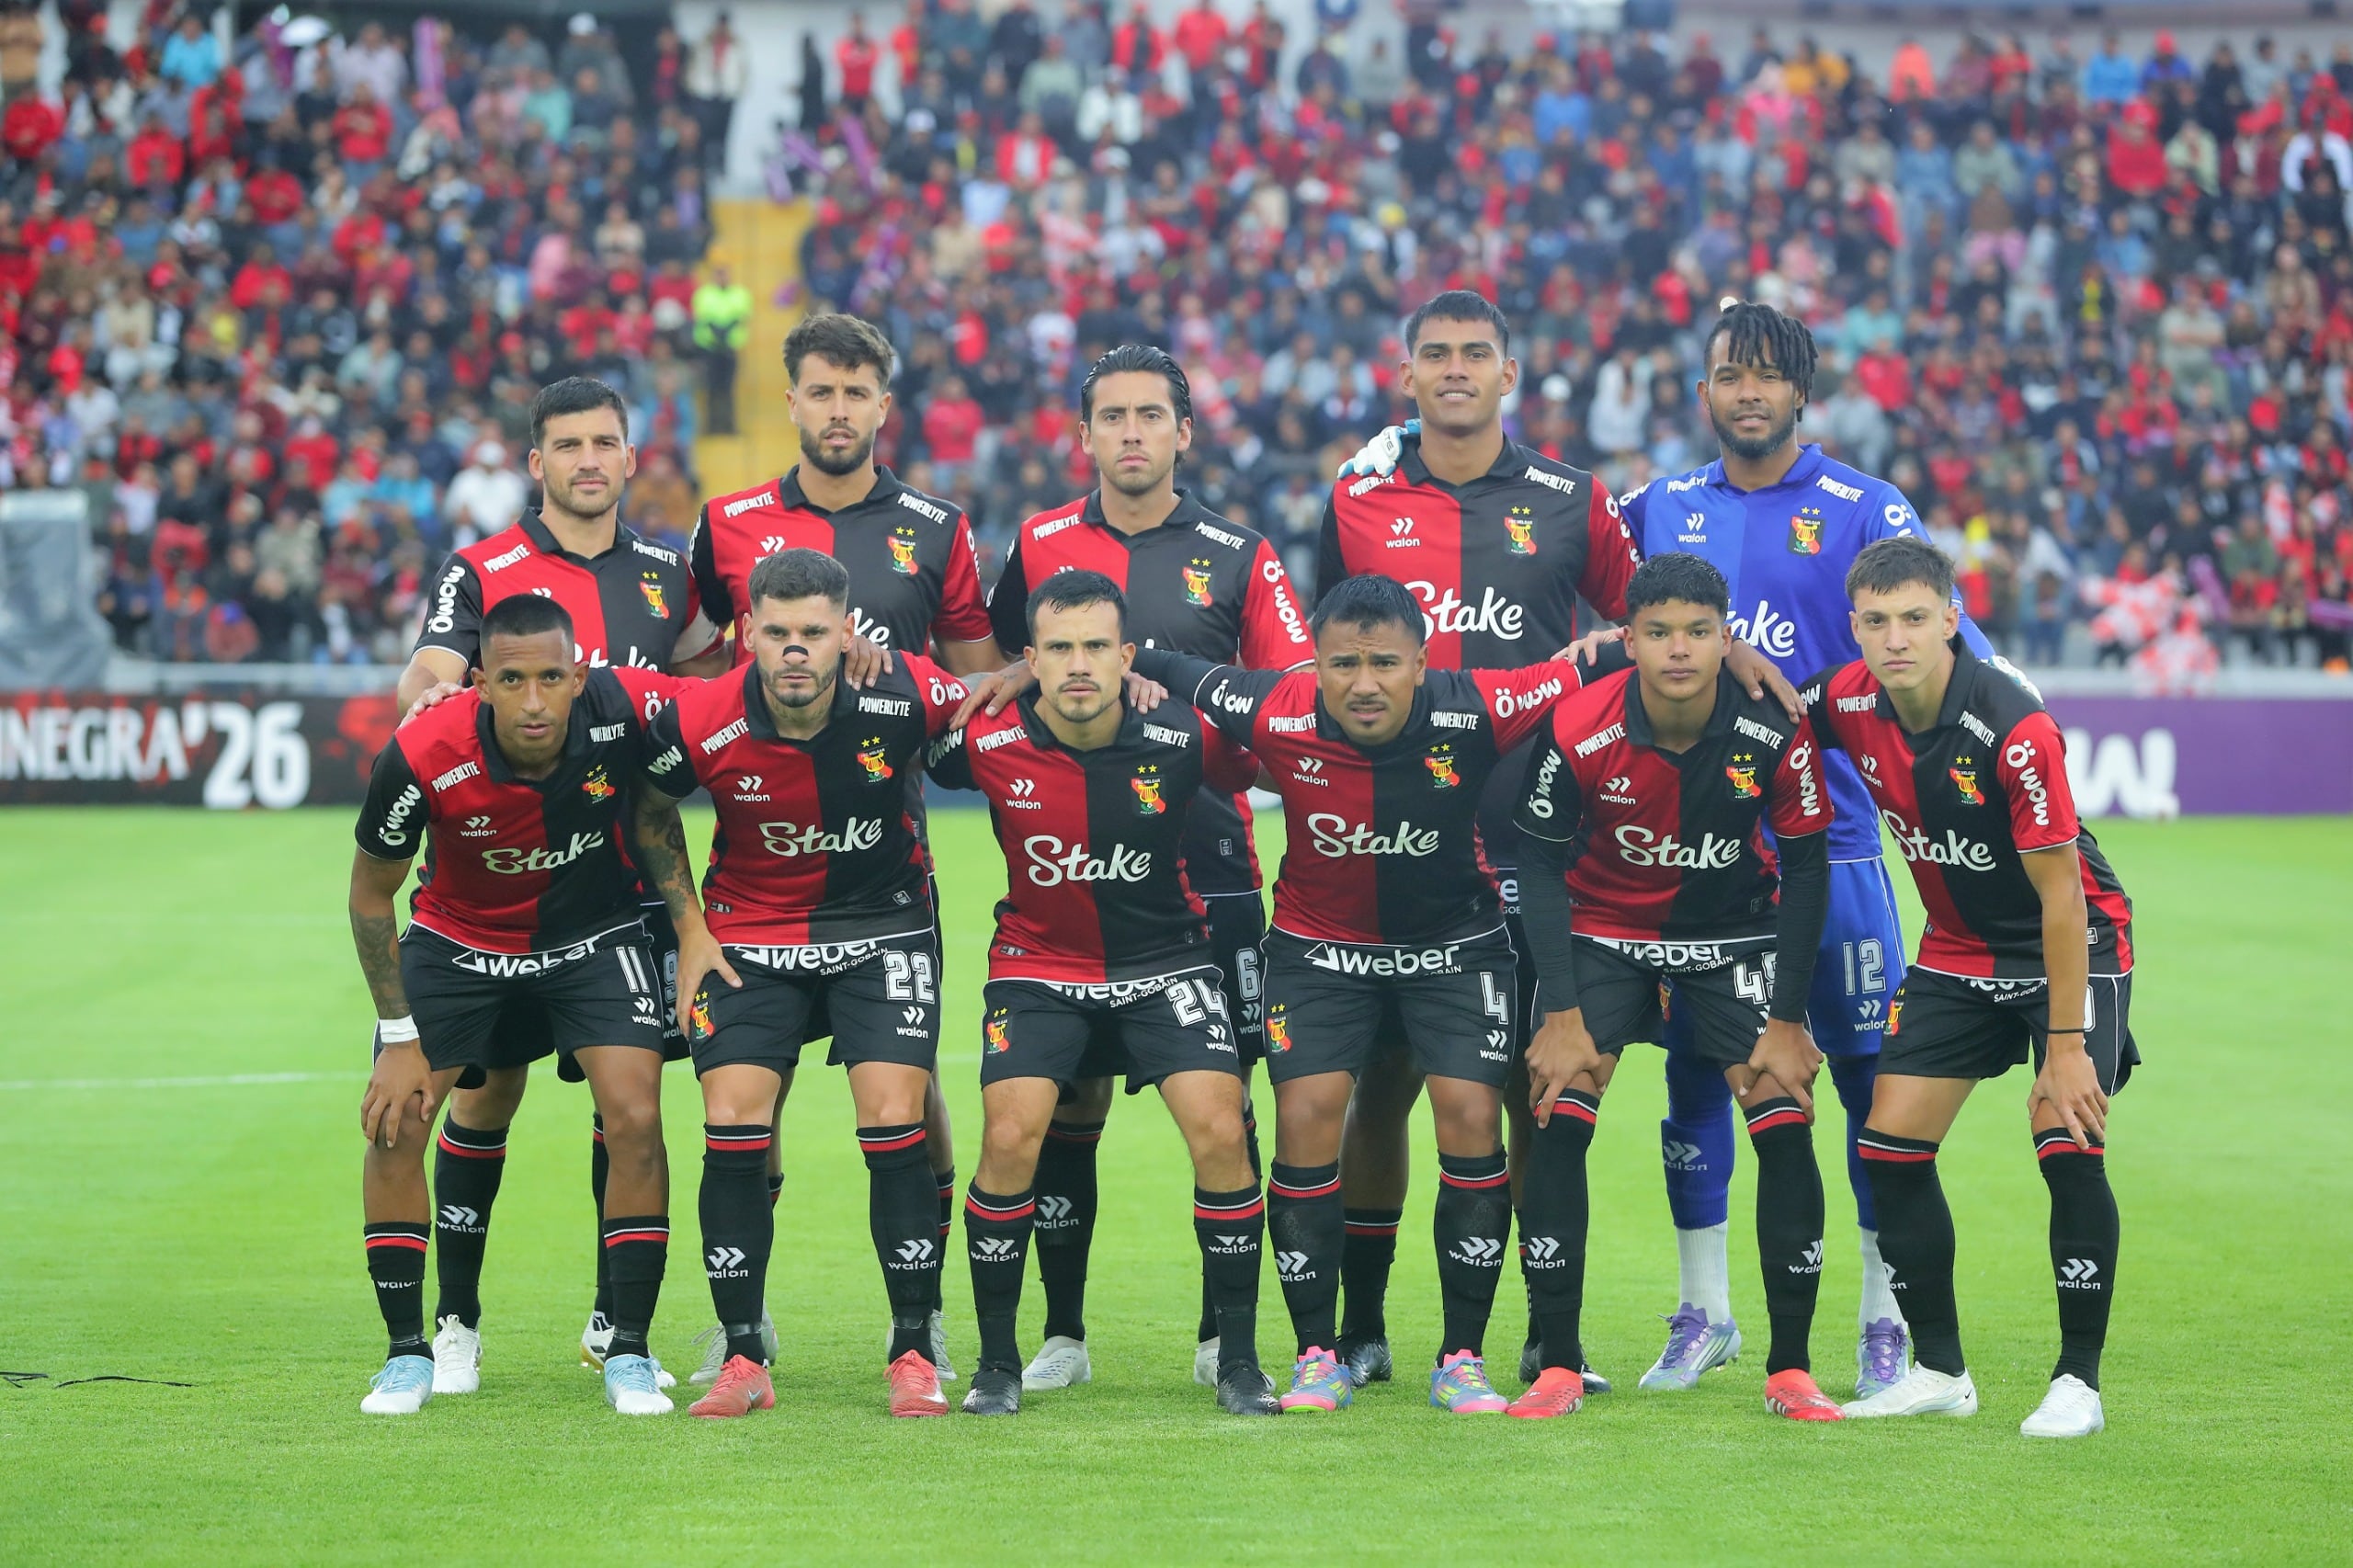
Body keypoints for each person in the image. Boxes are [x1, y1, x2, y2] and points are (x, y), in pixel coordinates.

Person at [1343, 297, 1998, 1396]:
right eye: (1728, 376)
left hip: (1824, 845)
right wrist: (1398, 448)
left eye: (1768, 376)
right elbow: (1597, 618)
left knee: (1860, 1078)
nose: (1748, 393)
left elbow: (1949, 652)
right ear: (1703, 393)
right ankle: (1706, 1310)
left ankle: (1883, 1311)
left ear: (1802, 391)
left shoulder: (1863, 506)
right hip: (1689, 864)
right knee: (1698, 1080)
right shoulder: (1654, 507)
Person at [1130, 574, 1586, 1416]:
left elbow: (1604, 661)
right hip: (1317, 950)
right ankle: (1317, 1355)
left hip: (1456, 948)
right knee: (1307, 1118)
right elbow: (1167, 662)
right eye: (1343, 663)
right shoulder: (1274, 707)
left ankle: (1461, 1359)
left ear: (1422, 661)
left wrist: (1700, 648)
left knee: (1472, 1115)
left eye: (1384, 662)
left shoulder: (1479, 704)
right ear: (1314, 663)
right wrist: (1091, 661)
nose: (1363, 682)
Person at [1316, 290, 1641, 1389]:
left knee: (1541, 1087)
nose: (1455, 369)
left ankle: (1553, 1335)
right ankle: (1363, 1326)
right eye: (1434, 354)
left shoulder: (1569, 498)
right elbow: (1331, 653)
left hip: (1539, 847)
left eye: (1475, 354)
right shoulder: (1356, 500)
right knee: (1383, 1088)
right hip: (1391, 850)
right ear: (1405, 376)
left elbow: (1648, 625)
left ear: (1511, 373)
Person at [678, 310, 1008, 1381]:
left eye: (854, 392)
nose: (836, 409)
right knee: (741, 1103)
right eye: (818, 390)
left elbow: (981, 689)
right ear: (792, 400)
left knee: (908, 1103)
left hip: (883, 862)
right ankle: (744, 1328)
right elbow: (686, 673)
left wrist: (910, 688)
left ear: (881, 405)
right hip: (756, 866)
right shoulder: (724, 523)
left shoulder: (936, 526)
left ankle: (921, 1316)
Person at [979, 346, 1313, 1392]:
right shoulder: (1036, 543)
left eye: (1149, 415)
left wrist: (1192, 697)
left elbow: (1288, 691)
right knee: (1063, 1106)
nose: (1131, 432)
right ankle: (1063, 1334)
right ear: (1082, 436)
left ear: (1183, 431)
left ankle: (1226, 1333)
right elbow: (1001, 669)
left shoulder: (1237, 550)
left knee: (1224, 1108)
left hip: (1206, 870)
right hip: (1069, 878)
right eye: (1111, 416)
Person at [392, 378, 720, 1395]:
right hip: (499, 888)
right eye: (567, 444)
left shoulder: (674, 574)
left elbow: (710, 690)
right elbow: (429, 677)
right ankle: (454, 1321)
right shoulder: (483, 569)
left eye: (605, 443)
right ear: (535, 463)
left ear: (631, 460)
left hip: (627, 888)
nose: (588, 459)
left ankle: (613, 1319)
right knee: (485, 1102)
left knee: (627, 1106)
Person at [1801, 537, 2134, 1438]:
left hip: (2071, 941)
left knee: (2065, 1134)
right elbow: (1767, 713)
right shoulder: (1846, 698)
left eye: (1914, 616)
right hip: (1956, 948)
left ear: (1952, 619)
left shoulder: (2009, 724)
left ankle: (2078, 1381)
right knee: (1889, 1147)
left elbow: (2062, 894)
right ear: (1855, 627)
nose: (1894, 637)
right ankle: (1940, 1368)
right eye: (1875, 620)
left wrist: (2063, 1047)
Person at [926, 571, 1278, 1418]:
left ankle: (1235, 1360)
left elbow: (1281, 727)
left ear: (1125, 656)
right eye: (1058, 649)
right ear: (1030, 662)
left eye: (1095, 648)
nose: (1078, 666)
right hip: (1038, 967)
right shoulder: (985, 740)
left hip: (1168, 963)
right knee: (1010, 1136)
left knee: (1223, 1129)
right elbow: (891, 722)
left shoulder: (1182, 731)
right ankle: (999, 1364)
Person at [630, 549, 970, 1419]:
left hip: (882, 929)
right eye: (776, 633)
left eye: (813, 633)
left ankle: (912, 1347)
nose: (793, 651)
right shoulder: (704, 713)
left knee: (894, 1115)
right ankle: (745, 1354)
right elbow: (647, 805)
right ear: (747, 634)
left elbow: (1002, 694)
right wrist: (691, 928)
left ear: (845, 633)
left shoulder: (904, 691)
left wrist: (1021, 667)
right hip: (750, 932)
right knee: (732, 1116)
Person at [1508, 553, 1840, 1421]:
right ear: (1631, 641)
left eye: (1699, 632)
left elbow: (1807, 871)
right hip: (1605, 932)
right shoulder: (1580, 724)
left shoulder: (1772, 729)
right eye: (1659, 633)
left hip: (1733, 934)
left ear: (1727, 639)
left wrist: (1788, 1018)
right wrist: (1562, 1013)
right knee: (1558, 1100)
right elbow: (1538, 867)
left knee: (1782, 1103)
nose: (1680, 651)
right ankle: (1560, 1364)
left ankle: (1790, 1368)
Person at [350, 594, 679, 1416]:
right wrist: (397, 1035)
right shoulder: (424, 747)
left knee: (636, 1115)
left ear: (579, 674)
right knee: (399, 1117)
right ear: (480, 684)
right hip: (460, 942)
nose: (534, 702)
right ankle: (412, 1350)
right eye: (511, 680)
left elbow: (723, 719)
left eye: (550, 678)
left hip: (593, 939)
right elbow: (369, 897)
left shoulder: (623, 706)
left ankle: (629, 1350)